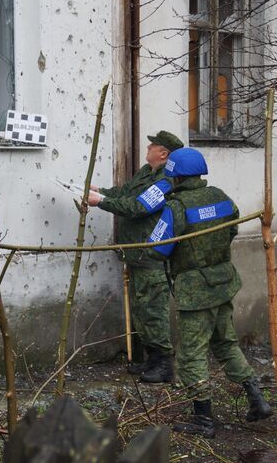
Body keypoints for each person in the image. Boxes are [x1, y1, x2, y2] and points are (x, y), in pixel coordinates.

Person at [148, 147, 273, 437]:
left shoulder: (176, 207)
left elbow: (157, 249)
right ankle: (257, 400)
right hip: (223, 283)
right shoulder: (221, 197)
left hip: (195, 292)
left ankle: (202, 420)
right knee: (226, 344)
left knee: (191, 355)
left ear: (175, 177)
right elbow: (231, 232)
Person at [88, 130, 183, 382]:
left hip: (151, 255)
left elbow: (139, 207)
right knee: (141, 310)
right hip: (136, 254)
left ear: (163, 153)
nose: (148, 146)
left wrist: (101, 202)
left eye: (153, 145)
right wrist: (102, 192)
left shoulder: (166, 180)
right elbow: (126, 193)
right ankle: (152, 359)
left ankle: (164, 363)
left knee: (153, 310)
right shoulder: (146, 172)